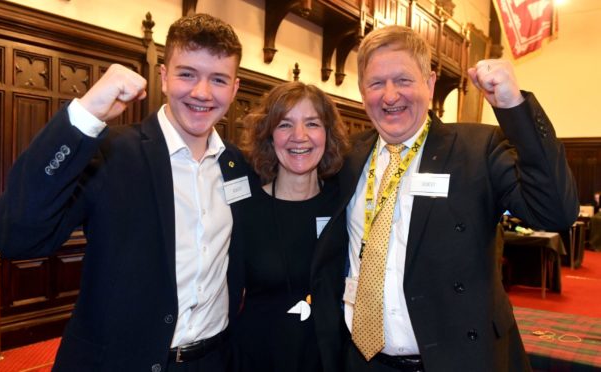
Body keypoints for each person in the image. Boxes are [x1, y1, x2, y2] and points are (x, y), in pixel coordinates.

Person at [0, 14, 251, 372]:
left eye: (218, 79)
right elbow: (14, 235)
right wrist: (87, 113)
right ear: (163, 76)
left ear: (234, 89)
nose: (202, 92)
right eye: (187, 73)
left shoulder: (237, 166)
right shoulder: (111, 151)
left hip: (213, 360)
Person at [324, 25, 579, 372]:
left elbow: (555, 213)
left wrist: (512, 106)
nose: (389, 96)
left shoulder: (477, 149)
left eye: (403, 80)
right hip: (363, 361)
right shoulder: (347, 157)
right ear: (361, 91)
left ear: (429, 84)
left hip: (458, 359)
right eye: (376, 83)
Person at [228, 81, 350, 372]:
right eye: (285, 125)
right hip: (256, 358)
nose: (299, 136)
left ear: (327, 134)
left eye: (312, 123)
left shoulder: (345, 202)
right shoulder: (244, 208)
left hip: (328, 359)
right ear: (269, 135)